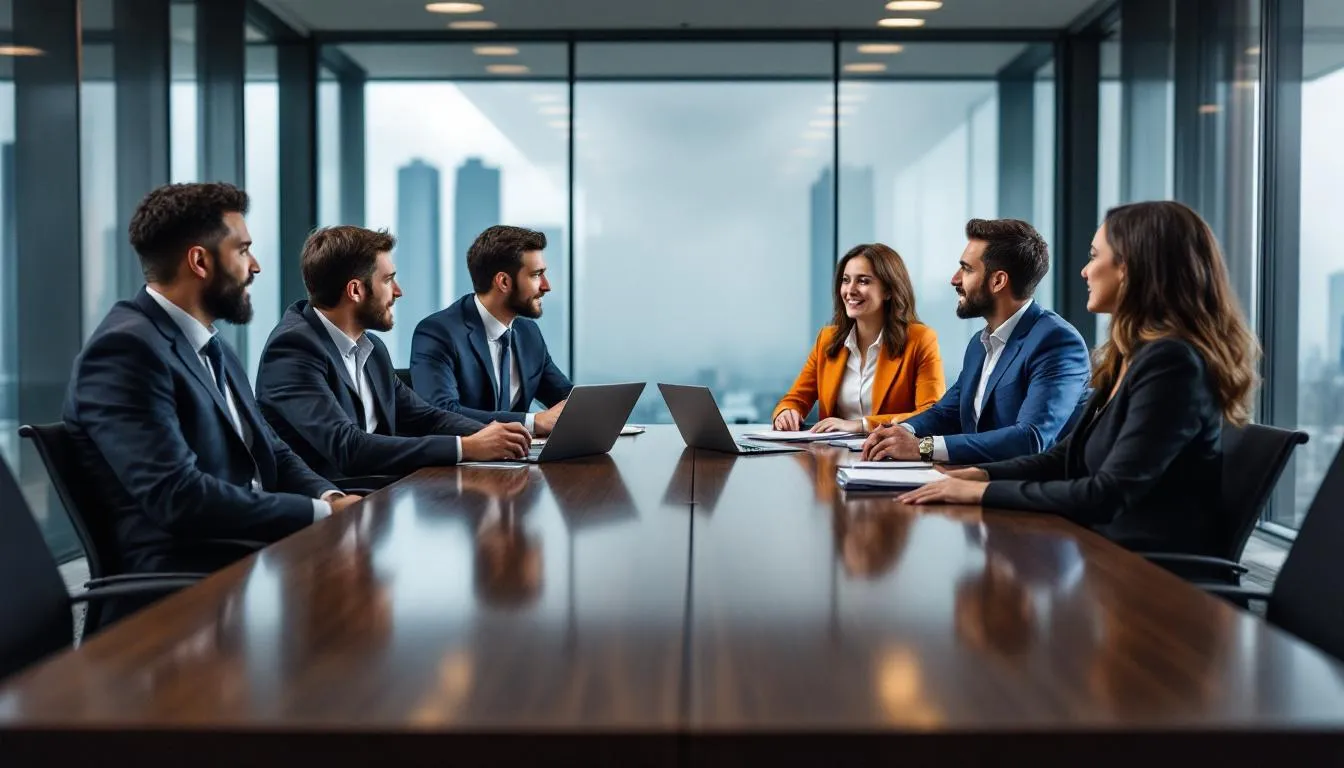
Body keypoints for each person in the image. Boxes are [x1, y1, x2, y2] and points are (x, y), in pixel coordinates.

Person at [899, 201, 1260, 556]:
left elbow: (1105, 494)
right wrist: (979, 475)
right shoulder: (1129, 356)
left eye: (1094, 256)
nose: (1085, 272)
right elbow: (1065, 458)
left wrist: (982, 492)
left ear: (1131, 269)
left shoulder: (1172, 363)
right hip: (1101, 552)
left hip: (1146, 577)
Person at [63, 182, 359, 581]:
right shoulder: (126, 351)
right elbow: (179, 497)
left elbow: (271, 449)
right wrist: (320, 514)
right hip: (185, 589)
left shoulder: (210, 345)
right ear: (200, 262)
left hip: (250, 555)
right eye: (242, 251)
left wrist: (331, 497)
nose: (255, 266)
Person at [255, 225, 534, 483]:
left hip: (381, 492)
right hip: (333, 506)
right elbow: (348, 447)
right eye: (388, 280)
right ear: (355, 290)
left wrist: (496, 435)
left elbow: (426, 417)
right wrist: (466, 448)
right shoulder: (293, 348)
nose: (398, 292)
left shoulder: (372, 349)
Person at [861, 218, 1090, 464]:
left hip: (1023, 495)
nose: (955, 279)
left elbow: (1031, 438)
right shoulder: (979, 344)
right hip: (972, 481)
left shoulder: (1057, 342)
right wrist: (901, 432)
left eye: (967, 269)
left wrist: (923, 447)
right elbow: (947, 412)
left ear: (998, 281)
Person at [410, 225, 572, 436]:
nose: (546, 286)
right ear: (503, 282)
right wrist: (532, 422)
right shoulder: (437, 333)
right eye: (536, 275)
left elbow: (564, 397)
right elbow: (440, 412)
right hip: (459, 465)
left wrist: (594, 411)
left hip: (517, 462)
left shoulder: (528, 333)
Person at [772, 243, 944, 434]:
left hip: (891, 458)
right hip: (833, 457)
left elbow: (931, 414)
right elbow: (796, 398)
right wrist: (787, 412)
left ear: (888, 290)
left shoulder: (920, 339)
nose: (850, 290)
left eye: (863, 281)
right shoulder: (827, 339)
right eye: (846, 280)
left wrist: (861, 425)